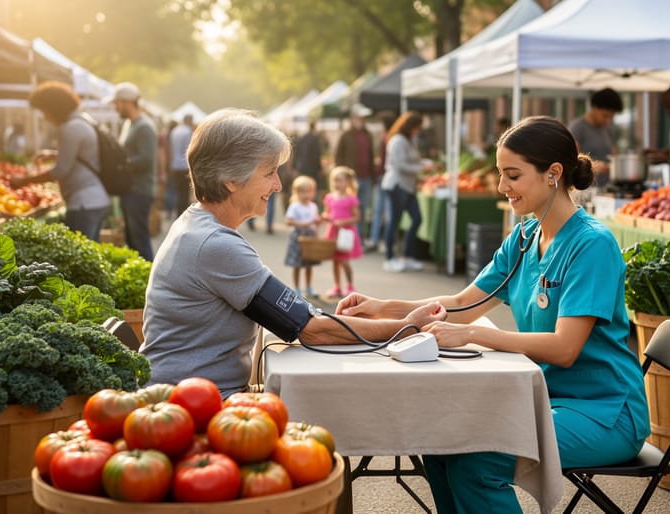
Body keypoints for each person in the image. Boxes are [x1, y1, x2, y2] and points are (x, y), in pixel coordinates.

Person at [336, 115, 650, 514]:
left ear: (553, 173)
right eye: (501, 174)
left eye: (512, 175)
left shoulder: (592, 245)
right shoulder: (523, 237)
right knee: (440, 438)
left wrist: (476, 337)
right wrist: (384, 305)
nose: (502, 187)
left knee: (477, 456)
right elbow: (463, 303)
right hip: (547, 398)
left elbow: (565, 348)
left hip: (605, 413)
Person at [140, 108, 446, 398]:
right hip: (193, 405)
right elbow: (312, 330)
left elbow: (300, 317)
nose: (278, 185)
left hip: (192, 395)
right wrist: (408, 326)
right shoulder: (215, 244)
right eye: (270, 172)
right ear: (231, 180)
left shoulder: (198, 225)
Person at [10, 81, 110, 242]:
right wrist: (55, 154)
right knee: (91, 257)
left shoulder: (70, 128)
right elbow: (83, 154)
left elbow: (60, 171)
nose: (45, 116)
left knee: (81, 260)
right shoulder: (82, 121)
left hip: (84, 204)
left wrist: (24, 181)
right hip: (95, 200)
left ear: (54, 108)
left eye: (44, 110)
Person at [381, 111, 434, 272]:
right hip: (397, 185)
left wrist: (426, 163)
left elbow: (414, 160)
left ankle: (407, 255)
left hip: (409, 186)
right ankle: (389, 258)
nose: (418, 131)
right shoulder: (397, 141)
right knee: (394, 222)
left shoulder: (410, 141)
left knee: (417, 219)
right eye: (417, 127)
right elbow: (400, 165)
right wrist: (422, 168)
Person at [110, 81, 157, 261]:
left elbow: (146, 159)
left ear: (126, 102)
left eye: (117, 103)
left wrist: (122, 164)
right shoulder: (130, 124)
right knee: (132, 239)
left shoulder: (144, 127)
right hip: (130, 190)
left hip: (139, 191)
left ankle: (147, 276)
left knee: (139, 239)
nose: (115, 107)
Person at [334, 104, 375, 239]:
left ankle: (360, 237)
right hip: (351, 178)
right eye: (358, 117)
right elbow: (338, 156)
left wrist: (373, 174)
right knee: (351, 209)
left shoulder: (367, 134)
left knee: (362, 209)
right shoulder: (346, 135)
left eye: (362, 118)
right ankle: (350, 237)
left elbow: (371, 155)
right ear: (353, 118)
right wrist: (340, 176)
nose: (360, 120)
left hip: (366, 177)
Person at [568, 88, 623, 187]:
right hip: (586, 188)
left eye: (611, 117)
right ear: (594, 107)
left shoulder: (608, 129)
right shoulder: (578, 127)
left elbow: (614, 155)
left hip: (606, 188)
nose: (608, 120)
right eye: (605, 115)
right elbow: (569, 159)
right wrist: (593, 167)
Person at [322, 166, 362, 298]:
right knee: (335, 261)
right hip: (333, 232)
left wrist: (343, 222)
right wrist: (325, 217)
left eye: (339, 180)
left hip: (345, 234)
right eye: (334, 180)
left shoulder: (351, 199)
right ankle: (337, 286)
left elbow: (357, 217)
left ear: (347, 182)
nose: (336, 184)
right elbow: (327, 212)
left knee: (345, 261)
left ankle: (350, 286)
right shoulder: (329, 197)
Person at [284, 175, 321, 298]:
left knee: (309, 264)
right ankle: (297, 289)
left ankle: (309, 287)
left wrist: (317, 227)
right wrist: (302, 224)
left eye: (308, 192)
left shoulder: (313, 206)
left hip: (310, 237)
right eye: (302, 192)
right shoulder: (295, 206)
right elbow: (288, 221)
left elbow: (315, 222)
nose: (306, 195)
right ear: (296, 193)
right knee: (297, 265)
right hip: (297, 237)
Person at [366, 116, 394, 252]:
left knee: (383, 211)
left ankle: (380, 240)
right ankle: (377, 240)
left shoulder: (389, 138)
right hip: (382, 177)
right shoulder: (387, 138)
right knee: (380, 211)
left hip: (385, 177)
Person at [168, 114, 195, 216]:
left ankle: (177, 213)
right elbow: (189, 150)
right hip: (184, 166)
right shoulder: (188, 132)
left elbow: (170, 149)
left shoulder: (175, 131)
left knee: (178, 191)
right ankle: (183, 214)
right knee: (185, 193)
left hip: (175, 165)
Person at [293, 120, 324, 191]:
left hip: (302, 167)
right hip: (313, 168)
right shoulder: (315, 139)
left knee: (303, 186)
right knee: (311, 187)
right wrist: (320, 169)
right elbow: (317, 155)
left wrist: (294, 167)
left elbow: (296, 153)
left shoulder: (302, 138)